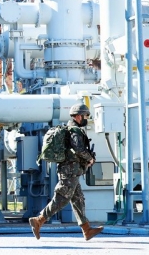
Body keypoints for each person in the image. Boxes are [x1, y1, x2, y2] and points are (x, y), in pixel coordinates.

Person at [29, 103, 104, 241]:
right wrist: (90, 159)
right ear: (78, 116)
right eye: (85, 115)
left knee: (78, 199)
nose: (86, 118)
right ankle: (39, 220)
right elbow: (79, 149)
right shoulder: (75, 130)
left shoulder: (70, 128)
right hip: (70, 170)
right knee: (62, 198)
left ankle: (86, 229)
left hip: (72, 170)